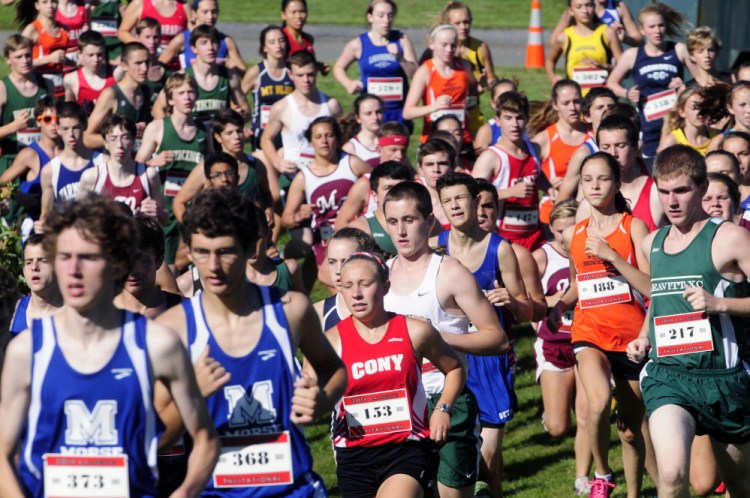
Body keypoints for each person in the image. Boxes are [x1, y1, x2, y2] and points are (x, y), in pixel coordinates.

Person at [0, 194, 220, 498]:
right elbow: (3, 455)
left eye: (88, 256)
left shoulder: (159, 344)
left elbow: (206, 439)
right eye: (64, 257)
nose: (74, 269)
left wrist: (183, 494)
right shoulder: (25, 351)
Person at [157, 188, 346, 497]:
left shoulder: (290, 310)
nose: (213, 266)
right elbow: (154, 435)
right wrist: (191, 395)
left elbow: (334, 370)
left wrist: (321, 401)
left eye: (225, 251)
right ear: (189, 252)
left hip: (292, 489)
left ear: (249, 248)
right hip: (216, 491)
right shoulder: (173, 327)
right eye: (202, 253)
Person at [626, 145, 750, 498]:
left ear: (700, 188)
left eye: (681, 190)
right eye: (663, 192)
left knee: (740, 486)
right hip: (669, 375)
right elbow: (659, 302)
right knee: (672, 472)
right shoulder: (653, 243)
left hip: (724, 381)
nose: (672, 201)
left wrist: (719, 303)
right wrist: (644, 337)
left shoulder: (729, 238)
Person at [382, 180, 509, 498]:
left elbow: (496, 338)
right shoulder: (380, 277)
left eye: (409, 220)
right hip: (398, 404)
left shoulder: (450, 272)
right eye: (393, 222)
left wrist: (436, 339)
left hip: (447, 398)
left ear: (428, 222)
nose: (401, 231)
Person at [548, 152, 652, 498]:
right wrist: (558, 305)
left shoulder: (632, 226)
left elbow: (652, 286)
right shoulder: (576, 233)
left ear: (616, 182)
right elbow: (579, 284)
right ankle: (602, 475)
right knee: (596, 402)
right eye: (587, 179)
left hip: (631, 339)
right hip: (589, 332)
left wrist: (613, 257)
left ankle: (635, 493)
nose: (594, 185)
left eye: (602, 179)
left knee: (630, 430)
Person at [326, 250, 466, 498]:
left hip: (406, 450)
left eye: (365, 284)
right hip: (354, 458)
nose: (356, 294)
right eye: (348, 286)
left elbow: (455, 368)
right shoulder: (330, 342)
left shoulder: (415, 331)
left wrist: (443, 409)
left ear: (385, 286)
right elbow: (311, 396)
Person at [435, 172, 531, 498]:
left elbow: (527, 312)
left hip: (490, 361)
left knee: (486, 460)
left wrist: (513, 301)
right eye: (447, 201)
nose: (454, 206)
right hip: (451, 360)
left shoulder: (501, 250)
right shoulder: (437, 251)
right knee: (459, 462)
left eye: (460, 198)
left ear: (477, 202)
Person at [531, 200, 593, 495]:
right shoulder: (541, 256)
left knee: (586, 415)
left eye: (572, 231)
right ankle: (551, 412)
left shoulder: (594, 251)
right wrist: (565, 299)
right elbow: (530, 303)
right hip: (555, 344)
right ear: (551, 230)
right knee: (557, 427)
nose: (566, 239)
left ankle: (583, 476)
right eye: (559, 232)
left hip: (588, 342)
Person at [281, 116, 372, 290]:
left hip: (356, 235)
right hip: (325, 242)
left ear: (337, 137)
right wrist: (299, 216)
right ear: (310, 141)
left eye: (329, 135)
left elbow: (378, 185)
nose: (324, 141)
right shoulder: (304, 177)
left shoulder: (352, 163)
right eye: (318, 137)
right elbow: (286, 218)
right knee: (340, 292)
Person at [136, 72, 212, 268]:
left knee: (195, 263)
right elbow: (135, 167)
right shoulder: (158, 127)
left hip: (194, 208)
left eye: (191, 92)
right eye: (181, 93)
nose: (187, 97)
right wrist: (154, 161)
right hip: (165, 207)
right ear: (170, 99)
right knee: (166, 266)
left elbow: (211, 168)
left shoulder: (204, 131)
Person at [606, 2, 696, 160]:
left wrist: (684, 86)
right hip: (648, 126)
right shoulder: (633, 55)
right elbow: (611, 84)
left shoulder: (678, 50)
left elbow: (699, 80)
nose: (657, 31)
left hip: (676, 123)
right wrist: (627, 93)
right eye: (652, 26)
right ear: (642, 29)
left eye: (661, 26)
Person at [173, 109, 273, 225]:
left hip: (246, 236)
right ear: (218, 137)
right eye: (229, 133)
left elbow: (266, 195)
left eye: (239, 131)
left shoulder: (257, 166)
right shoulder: (205, 168)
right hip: (214, 235)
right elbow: (179, 202)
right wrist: (191, 231)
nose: (236, 137)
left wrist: (268, 211)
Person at [473, 91, 545, 251]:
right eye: (508, 118)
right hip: (503, 239)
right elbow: (473, 197)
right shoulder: (490, 157)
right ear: (498, 121)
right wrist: (509, 192)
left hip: (535, 235)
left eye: (519, 118)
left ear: (527, 119)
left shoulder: (535, 149)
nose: (514, 124)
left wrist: (551, 188)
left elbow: (538, 178)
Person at [260, 50, 343, 182]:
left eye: (310, 75)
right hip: (293, 177)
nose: (306, 80)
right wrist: (277, 162)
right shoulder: (282, 107)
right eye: (300, 75)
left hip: (326, 175)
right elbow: (266, 139)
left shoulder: (331, 105)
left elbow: (343, 139)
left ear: (316, 72)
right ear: (290, 75)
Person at [333, 0, 417, 128]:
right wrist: (348, 83)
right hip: (371, 113)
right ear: (370, 17)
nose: (386, 20)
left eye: (390, 15)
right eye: (381, 15)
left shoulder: (401, 39)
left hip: (398, 111)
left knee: (396, 147)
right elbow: (339, 67)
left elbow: (415, 75)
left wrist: (401, 59)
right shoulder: (358, 44)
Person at [78, 114, 168, 224]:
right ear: (105, 143)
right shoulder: (92, 177)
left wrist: (157, 212)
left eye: (125, 137)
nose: (119, 145)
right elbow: (77, 220)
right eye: (113, 138)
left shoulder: (148, 175)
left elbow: (165, 220)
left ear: (133, 140)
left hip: (137, 240)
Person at [152, 25, 249, 125]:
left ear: (219, 46)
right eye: (204, 43)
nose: (210, 47)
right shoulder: (180, 78)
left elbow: (245, 109)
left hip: (219, 139)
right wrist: (172, 132)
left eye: (214, 42)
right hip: (192, 138)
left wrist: (241, 115)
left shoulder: (229, 76)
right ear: (194, 48)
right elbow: (158, 109)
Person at [403, 24, 473, 147]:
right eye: (444, 45)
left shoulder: (464, 65)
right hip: (434, 141)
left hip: (463, 139)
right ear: (431, 44)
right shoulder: (425, 71)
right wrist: (434, 107)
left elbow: (474, 91)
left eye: (453, 45)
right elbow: (407, 112)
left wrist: (484, 86)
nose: (449, 50)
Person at [530, 79, 589, 222]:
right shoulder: (544, 139)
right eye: (566, 103)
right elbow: (525, 171)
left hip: (587, 215)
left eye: (577, 101)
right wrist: (547, 185)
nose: (573, 108)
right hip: (553, 216)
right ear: (555, 105)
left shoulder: (593, 134)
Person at [439, 1, 498, 138]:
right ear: (448, 24)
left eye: (466, 22)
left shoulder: (480, 48)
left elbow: (492, 79)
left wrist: (486, 84)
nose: (463, 27)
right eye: (457, 23)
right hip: (445, 113)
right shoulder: (440, 50)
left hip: (472, 114)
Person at [0, 97, 59, 226]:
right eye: (48, 119)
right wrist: (7, 198)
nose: (54, 124)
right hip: (37, 224)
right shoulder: (30, 154)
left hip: (64, 222)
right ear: (38, 122)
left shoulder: (69, 151)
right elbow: (2, 181)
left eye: (58, 119)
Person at [36, 101, 95, 230]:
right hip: (65, 237)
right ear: (57, 129)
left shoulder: (101, 163)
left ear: (84, 125)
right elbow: (46, 216)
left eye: (76, 128)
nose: (71, 135)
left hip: (96, 236)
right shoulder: (50, 171)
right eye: (65, 129)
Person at [84, 41, 153, 150]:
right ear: (124, 66)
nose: (144, 68)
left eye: (147, 62)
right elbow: (87, 138)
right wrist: (124, 135)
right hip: (115, 162)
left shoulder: (146, 91)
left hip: (139, 161)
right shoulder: (111, 94)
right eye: (138, 63)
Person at [0, 35, 52, 176]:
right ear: (8, 60)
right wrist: (14, 126)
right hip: (11, 161)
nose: (25, 61)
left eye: (28, 55)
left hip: (43, 158)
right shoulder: (3, 89)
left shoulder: (47, 85)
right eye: (18, 57)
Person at [545, 0, 622, 95]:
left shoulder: (607, 33)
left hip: (602, 97)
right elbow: (550, 61)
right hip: (576, 98)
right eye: (579, 7)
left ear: (594, 7)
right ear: (571, 11)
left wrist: (603, 66)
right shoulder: (564, 37)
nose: (585, 10)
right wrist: (553, 77)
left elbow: (624, 69)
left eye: (588, 5)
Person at [556, 86, 617, 202]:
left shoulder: (633, 144)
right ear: (587, 117)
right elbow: (563, 199)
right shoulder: (584, 153)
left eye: (611, 106)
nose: (607, 111)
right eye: (600, 108)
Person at [115, 214, 182, 319]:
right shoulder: (100, 312)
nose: (133, 271)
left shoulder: (185, 310)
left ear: (159, 261)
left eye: (142, 260)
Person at [313, 227, 378, 330]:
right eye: (332, 262)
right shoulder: (318, 314)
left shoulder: (391, 305)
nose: (338, 270)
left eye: (346, 261)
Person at [241, 25, 294, 151]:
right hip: (261, 133)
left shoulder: (292, 71)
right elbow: (236, 100)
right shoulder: (256, 72)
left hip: (287, 134)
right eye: (272, 42)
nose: (278, 45)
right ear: (264, 47)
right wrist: (241, 126)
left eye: (282, 41)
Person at [346, 161, 414, 258]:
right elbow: (326, 272)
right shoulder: (360, 229)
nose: (395, 192)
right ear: (374, 196)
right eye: (388, 187)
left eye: (401, 186)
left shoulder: (423, 219)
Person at [158, 0, 245, 71]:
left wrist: (234, 68)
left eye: (214, 11)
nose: (210, 16)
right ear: (194, 13)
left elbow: (245, 74)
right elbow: (159, 66)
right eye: (205, 12)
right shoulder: (182, 39)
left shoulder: (226, 41)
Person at [9, 233, 63, 338]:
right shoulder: (12, 312)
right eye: (29, 262)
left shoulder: (76, 314)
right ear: (23, 270)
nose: (34, 267)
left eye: (43, 261)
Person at [18, 0, 72, 97]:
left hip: (60, 87)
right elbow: (18, 63)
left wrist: (77, 62)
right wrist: (49, 59)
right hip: (39, 86)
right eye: (45, 2)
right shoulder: (32, 30)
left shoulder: (64, 29)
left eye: (54, 1)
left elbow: (60, 58)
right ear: (37, 5)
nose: (50, 6)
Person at [63, 30, 116, 114]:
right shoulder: (71, 80)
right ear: (80, 54)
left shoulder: (116, 73)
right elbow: (69, 113)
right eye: (90, 55)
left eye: (99, 55)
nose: (95, 60)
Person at [550, 0, 642, 47]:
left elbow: (638, 39)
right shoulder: (578, 8)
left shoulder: (618, 6)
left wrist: (623, 38)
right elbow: (554, 41)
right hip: (581, 61)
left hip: (609, 66)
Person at [118, 0, 190, 53]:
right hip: (148, 61)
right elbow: (122, 32)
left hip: (176, 63)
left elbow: (192, 35)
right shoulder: (140, 3)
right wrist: (141, 45)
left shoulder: (184, 6)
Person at [657, 87, 711, 154]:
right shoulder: (673, 140)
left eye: (703, 106)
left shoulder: (715, 135)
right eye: (694, 107)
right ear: (682, 112)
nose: (700, 112)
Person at [473, 78, 519, 153]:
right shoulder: (487, 131)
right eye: (502, 98)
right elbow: (480, 161)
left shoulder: (527, 126)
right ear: (493, 104)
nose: (507, 102)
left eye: (511, 97)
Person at [341, 93, 384, 167]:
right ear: (358, 118)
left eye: (378, 112)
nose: (375, 117)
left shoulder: (391, 140)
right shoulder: (350, 149)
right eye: (368, 113)